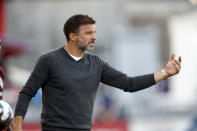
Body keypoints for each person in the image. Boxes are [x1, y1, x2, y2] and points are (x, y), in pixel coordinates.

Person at [13, 14, 182, 131]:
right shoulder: (48, 61)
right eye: (88, 33)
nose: (94, 37)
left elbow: (129, 84)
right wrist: (18, 125)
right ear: (72, 36)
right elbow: (26, 93)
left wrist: (165, 73)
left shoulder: (97, 64)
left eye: (94, 32)